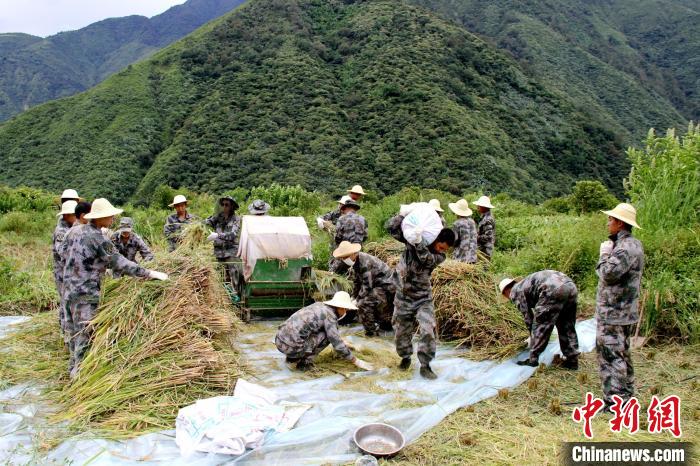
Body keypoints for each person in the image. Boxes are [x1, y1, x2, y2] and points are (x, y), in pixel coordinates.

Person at [62, 198, 169, 378]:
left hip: (69, 291)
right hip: (86, 295)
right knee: (84, 338)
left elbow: (64, 253)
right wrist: (149, 273)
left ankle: (71, 370)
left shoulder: (74, 231)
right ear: (100, 217)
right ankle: (79, 381)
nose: (112, 218)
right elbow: (119, 262)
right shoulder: (98, 238)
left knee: (73, 335)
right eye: (109, 215)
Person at [388, 213, 455, 379]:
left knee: (428, 329)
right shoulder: (413, 241)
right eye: (441, 246)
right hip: (403, 295)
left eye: (444, 249)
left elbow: (426, 259)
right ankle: (405, 357)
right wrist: (403, 215)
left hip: (422, 298)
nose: (442, 251)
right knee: (401, 331)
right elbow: (393, 229)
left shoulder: (438, 256)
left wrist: (418, 242)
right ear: (435, 240)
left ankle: (425, 365)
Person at [595, 203, 644, 410]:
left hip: (613, 313)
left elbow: (608, 274)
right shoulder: (633, 245)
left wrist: (604, 254)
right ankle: (625, 395)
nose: (608, 223)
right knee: (622, 353)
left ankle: (615, 402)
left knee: (610, 356)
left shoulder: (624, 248)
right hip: (623, 312)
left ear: (620, 223)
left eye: (611, 220)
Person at [274, 291, 374, 372]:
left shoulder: (319, 306)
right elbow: (336, 343)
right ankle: (305, 364)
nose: (346, 312)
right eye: (346, 310)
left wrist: (351, 345)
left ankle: (292, 358)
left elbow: (334, 335)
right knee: (327, 337)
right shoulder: (330, 316)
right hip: (292, 347)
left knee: (313, 334)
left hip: (279, 340)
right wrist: (356, 361)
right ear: (341, 307)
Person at [499, 270, 580, 369]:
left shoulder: (515, 291)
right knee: (566, 324)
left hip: (552, 290)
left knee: (540, 326)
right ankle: (572, 360)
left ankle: (533, 359)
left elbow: (528, 318)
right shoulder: (524, 284)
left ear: (506, 291)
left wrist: (532, 337)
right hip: (570, 285)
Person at [332, 241, 395, 336]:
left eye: (346, 257)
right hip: (376, 285)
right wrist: (353, 297)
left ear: (353, 253)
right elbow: (357, 282)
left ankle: (371, 332)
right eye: (343, 258)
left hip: (387, 286)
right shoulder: (355, 262)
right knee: (360, 301)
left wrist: (357, 300)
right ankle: (379, 325)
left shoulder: (365, 262)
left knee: (363, 304)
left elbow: (367, 285)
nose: (344, 259)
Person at [205, 196, 242, 291]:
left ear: (232, 207)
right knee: (220, 278)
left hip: (231, 253)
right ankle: (224, 300)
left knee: (234, 278)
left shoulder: (236, 219)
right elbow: (206, 223)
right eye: (223, 204)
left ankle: (236, 300)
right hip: (219, 253)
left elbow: (233, 234)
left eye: (227, 205)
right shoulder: (218, 217)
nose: (224, 207)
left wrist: (217, 235)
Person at [53, 200, 77, 340]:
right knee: (65, 302)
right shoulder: (61, 231)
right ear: (67, 215)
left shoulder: (71, 227)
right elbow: (63, 252)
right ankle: (65, 333)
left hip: (71, 272)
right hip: (62, 273)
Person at [331, 199, 368, 273]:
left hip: (346, 251)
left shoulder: (341, 219)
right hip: (358, 250)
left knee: (338, 271)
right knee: (358, 272)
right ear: (355, 209)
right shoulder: (363, 219)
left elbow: (338, 237)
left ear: (346, 208)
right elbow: (365, 236)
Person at [448, 199, 477, 263]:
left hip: (461, 258)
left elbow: (454, 241)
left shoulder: (457, 223)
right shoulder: (472, 221)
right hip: (472, 256)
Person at [474, 195, 495, 259]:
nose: (478, 207)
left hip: (485, 251)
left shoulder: (487, 219)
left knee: (484, 268)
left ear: (484, 207)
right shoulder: (485, 217)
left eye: (479, 206)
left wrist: (476, 237)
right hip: (483, 249)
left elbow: (488, 237)